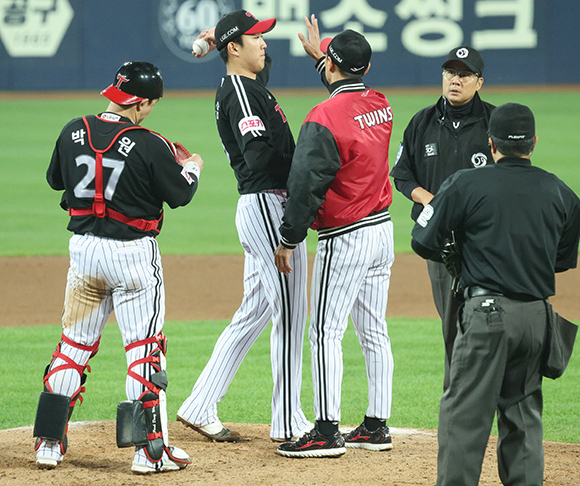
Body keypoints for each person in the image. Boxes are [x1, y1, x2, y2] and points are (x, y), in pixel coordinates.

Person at [36, 61, 203, 474]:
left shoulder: (73, 130)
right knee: (144, 351)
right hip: (132, 258)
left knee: (72, 347)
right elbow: (180, 194)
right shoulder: (149, 142)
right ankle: (149, 454)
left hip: (84, 255)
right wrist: (192, 166)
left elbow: (56, 180)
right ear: (142, 103)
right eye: (152, 103)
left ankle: (48, 445)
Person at [411, 103, 580, 485]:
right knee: (523, 417)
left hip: (486, 316)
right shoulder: (562, 193)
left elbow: (422, 240)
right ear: (534, 143)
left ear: (491, 144)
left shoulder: (465, 183)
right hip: (538, 317)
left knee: (465, 417)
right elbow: (561, 260)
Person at [176, 9, 312, 443]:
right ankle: (288, 420)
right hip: (270, 206)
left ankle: (200, 404)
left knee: (254, 312)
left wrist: (220, 36)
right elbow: (258, 157)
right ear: (235, 49)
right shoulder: (240, 91)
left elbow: (254, 69)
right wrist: (305, 163)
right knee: (291, 315)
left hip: (261, 205)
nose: (265, 43)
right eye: (256, 37)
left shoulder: (244, 85)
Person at [274, 24, 395, 458]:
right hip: (382, 231)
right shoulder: (381, 104)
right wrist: (322, 56)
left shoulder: (322, 118)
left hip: (346, 236)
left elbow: (306, 184)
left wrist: (288, 237)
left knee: (326, 330)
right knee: (374, 331)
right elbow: (347, 90)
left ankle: (325, 431)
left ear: (332, 66)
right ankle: (376, 426)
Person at [390, 46, 496, 390]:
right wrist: (433, 202)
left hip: (485, 242)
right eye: (450, 72)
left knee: (490, 321)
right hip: (440, 243)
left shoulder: (496, 122)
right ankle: (458, 399)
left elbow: (510, 176)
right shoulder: (421, 122)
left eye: (464, 74)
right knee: (451, 324)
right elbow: (403, 176)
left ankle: (491, 393)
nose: (455, 79)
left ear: (478, 82)